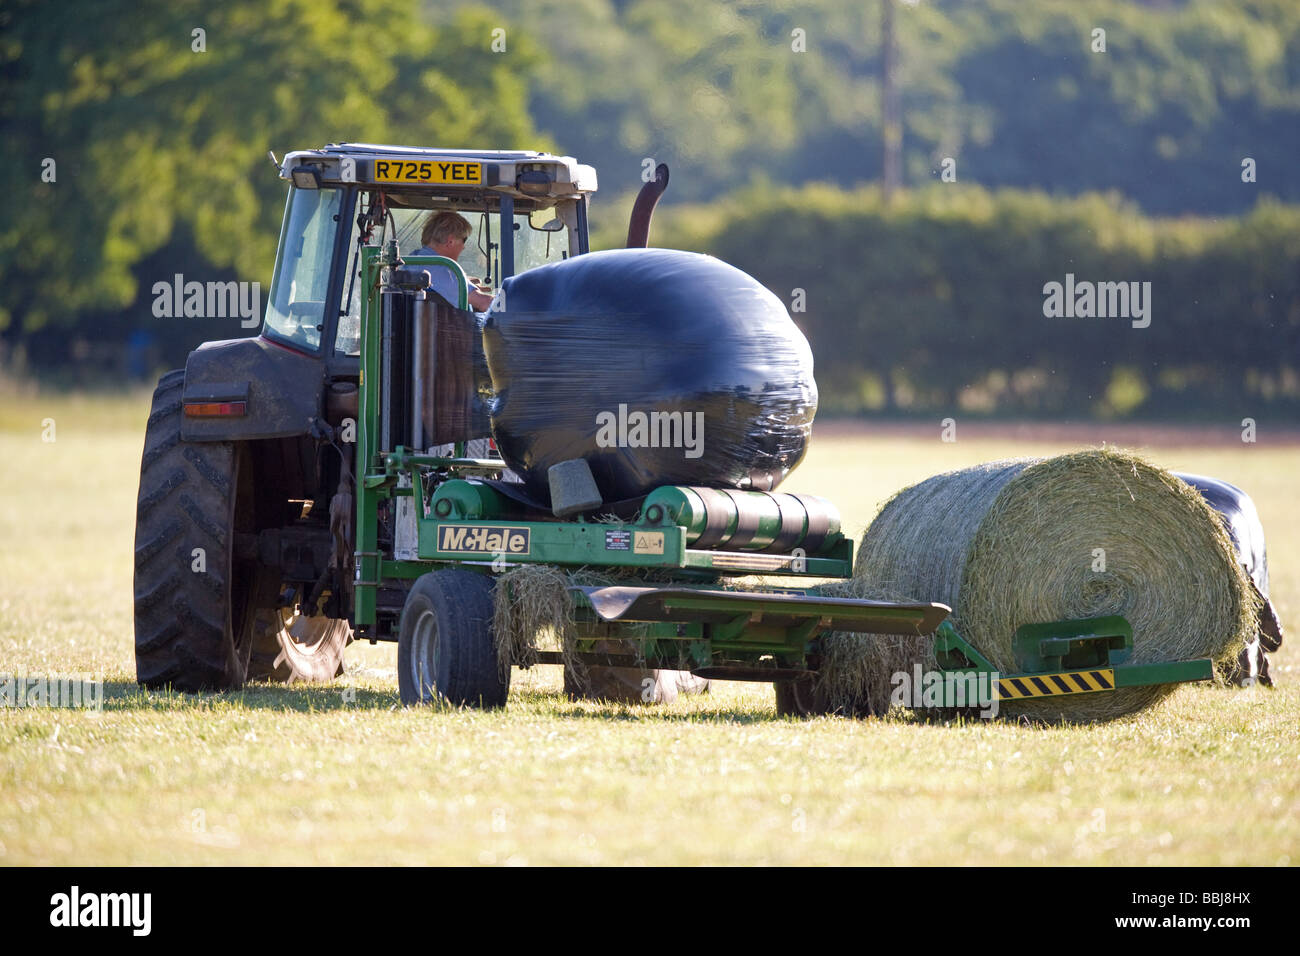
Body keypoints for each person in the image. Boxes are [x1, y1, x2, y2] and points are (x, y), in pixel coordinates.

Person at [412, 211, 495, 311]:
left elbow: (442, 283)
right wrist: (514, 303)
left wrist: (468, 283)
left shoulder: (414, 259)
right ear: (450, 241)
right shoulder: (440, 269)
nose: (463, 247)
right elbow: (484, 303)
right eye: (464, 240)